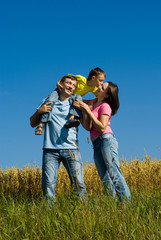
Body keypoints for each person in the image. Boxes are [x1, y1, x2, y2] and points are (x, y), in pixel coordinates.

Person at [30, 75, 87, 201]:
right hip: (50, 150)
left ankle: (83, 211)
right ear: (61, 84)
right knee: (48, 184)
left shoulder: (76, 103)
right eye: (68, 83)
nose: (71, 86)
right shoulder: (48, 102)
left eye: (73, 85)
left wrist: (83, 110)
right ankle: (49, 212)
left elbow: (87, 125)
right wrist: (39, 112)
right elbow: (32, 122)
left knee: (78, 183)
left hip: (71, 149)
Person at [73, 82, 131, 202]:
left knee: (114, 173)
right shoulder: (92, 103)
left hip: (106, 140)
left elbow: (101, 128)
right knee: (104, 177)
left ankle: (126, 204)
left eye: (102, 87)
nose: (98, 87)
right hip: (96, 143)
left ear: (106, 94)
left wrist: (88, 112)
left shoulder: (105, 106)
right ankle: (112, 205)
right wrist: (84, 112)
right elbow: (88, 127)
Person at [35, 67, 105, 135]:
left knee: (78, 100)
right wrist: (59, 82)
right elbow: (68, 76)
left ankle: (71, 119)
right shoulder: (81, 79)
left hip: (72, 97)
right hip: (61, 91)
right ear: (93, 78)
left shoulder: (93, 88)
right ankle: (41, 124)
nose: (102, 83)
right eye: (100, 80)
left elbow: (99, 96)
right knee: (50, 100)